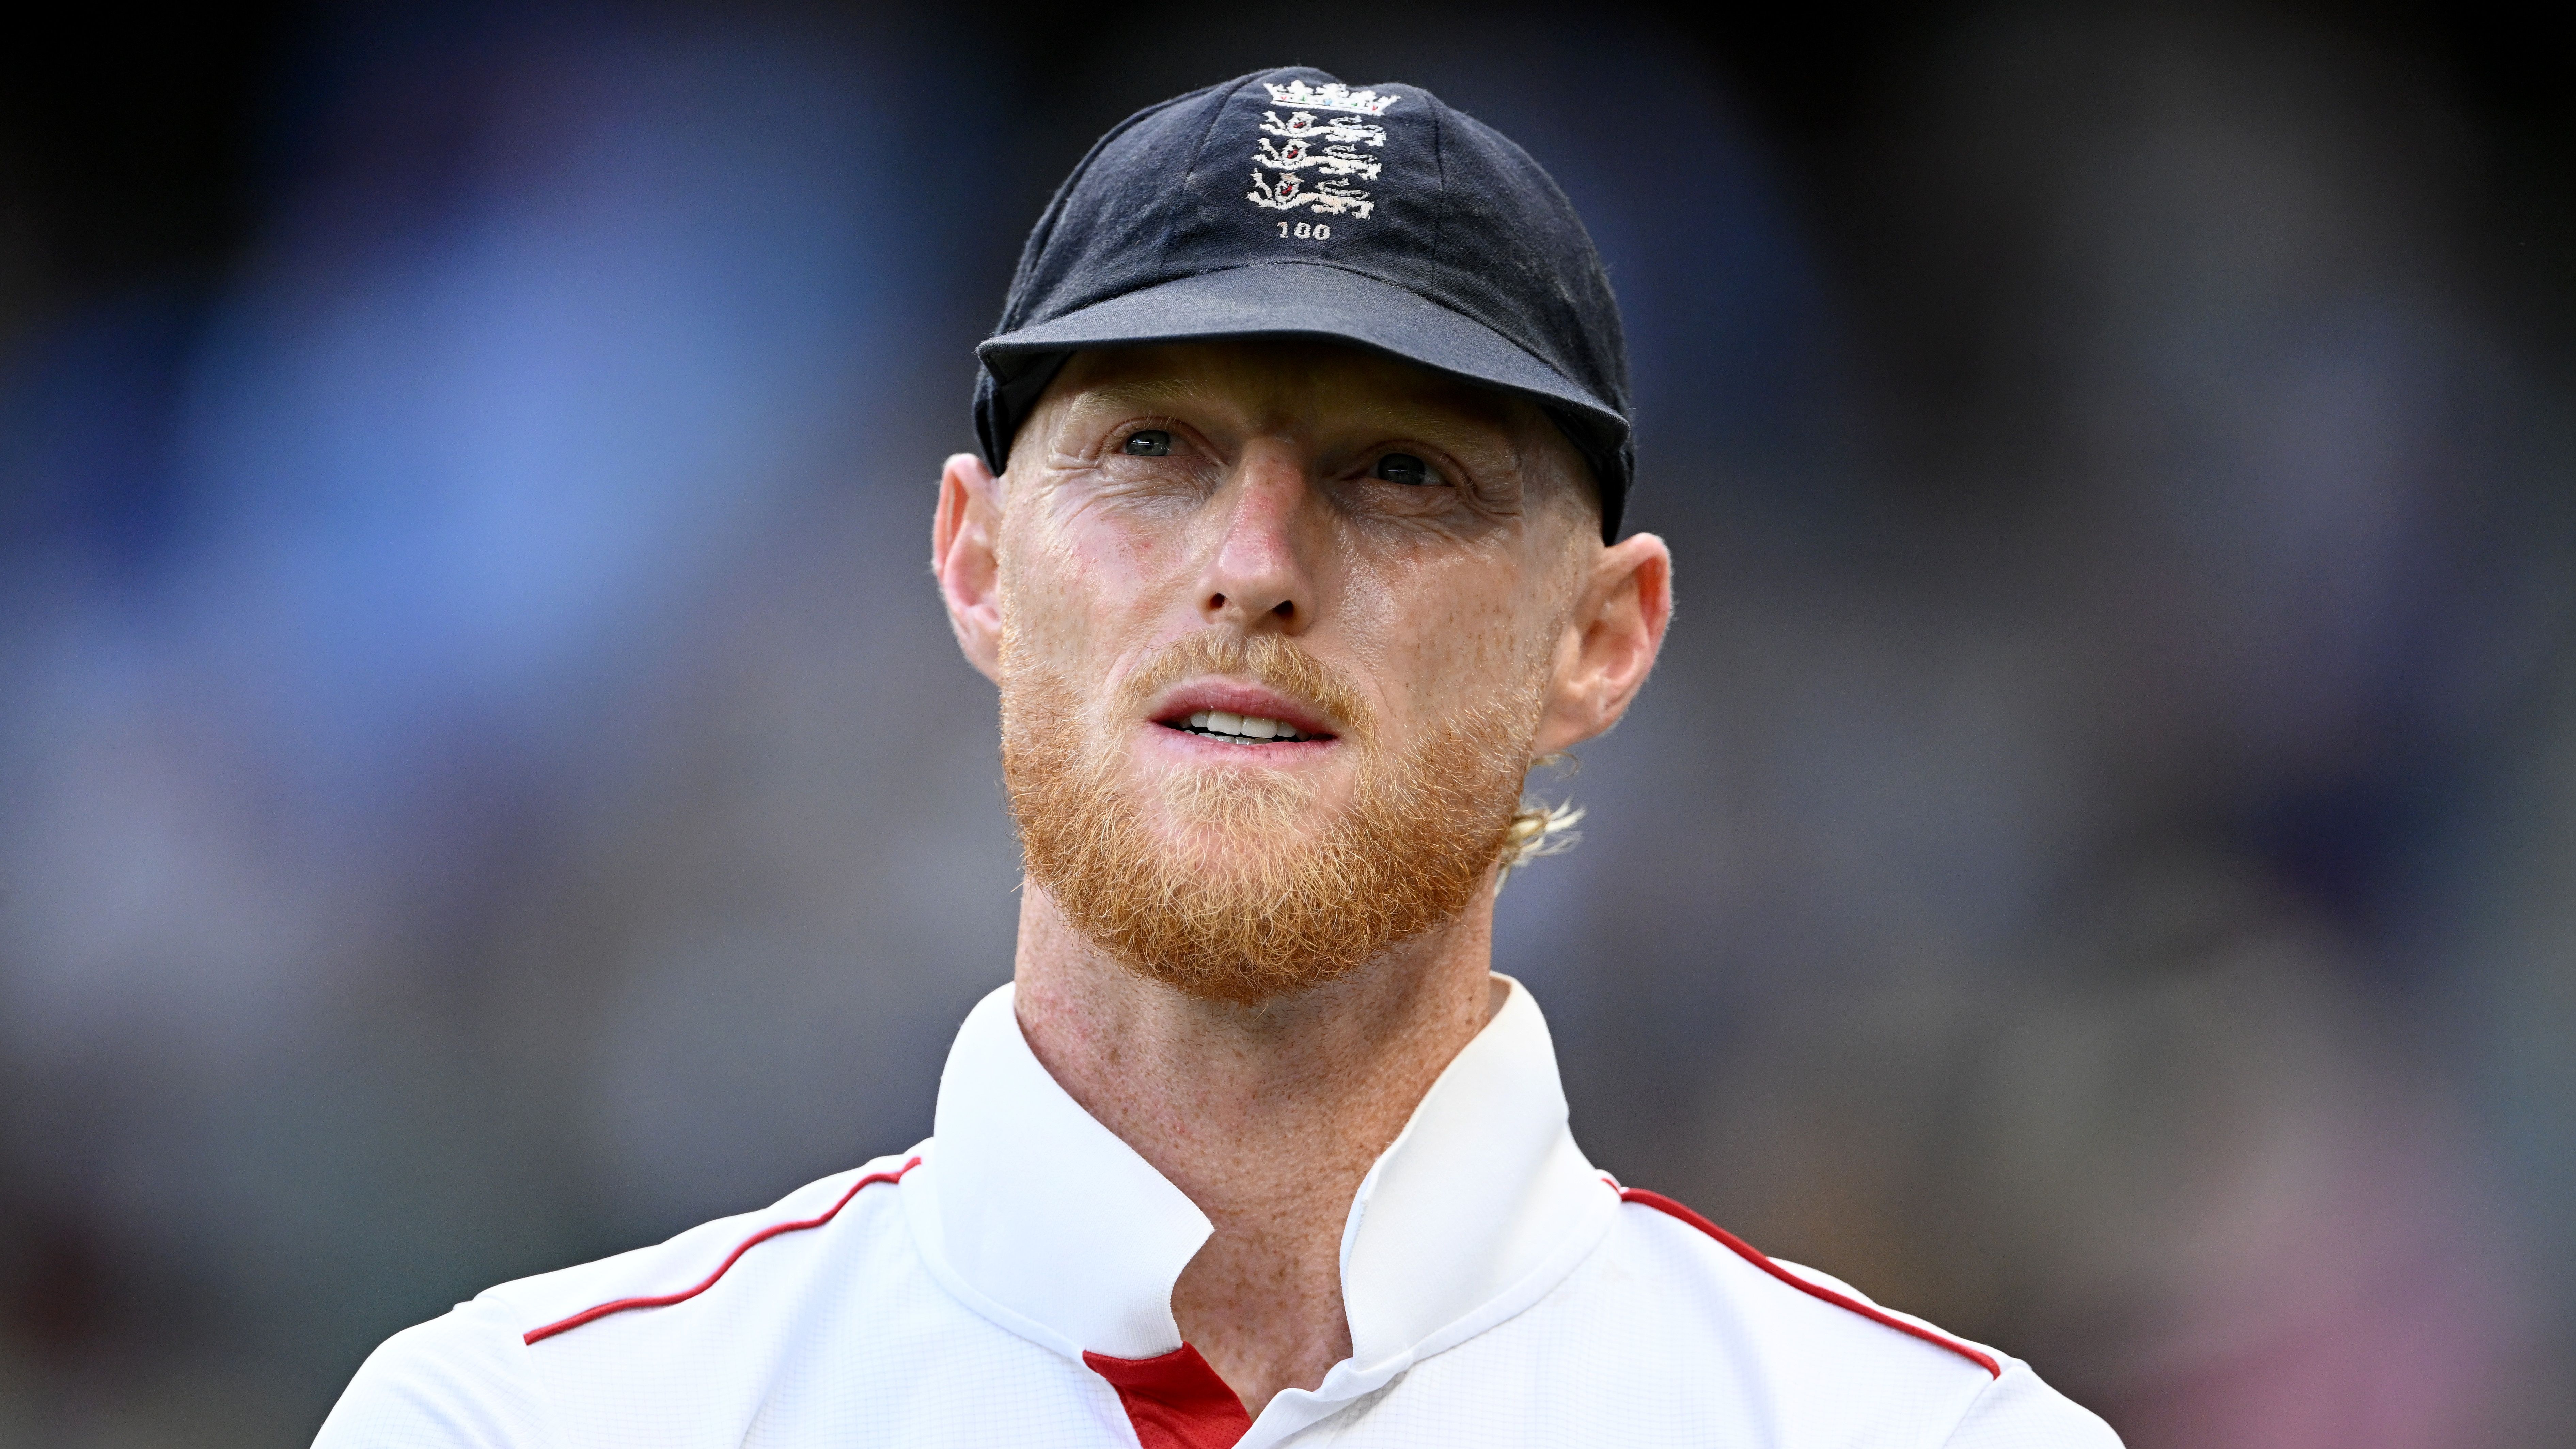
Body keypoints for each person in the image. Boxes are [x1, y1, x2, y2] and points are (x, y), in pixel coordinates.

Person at [314, 67, 2120, 1449]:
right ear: (975, 559)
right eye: (1157, 447)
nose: (1254, 563)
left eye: (1401, 472)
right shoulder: (520, 1428)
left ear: (1603, 637)